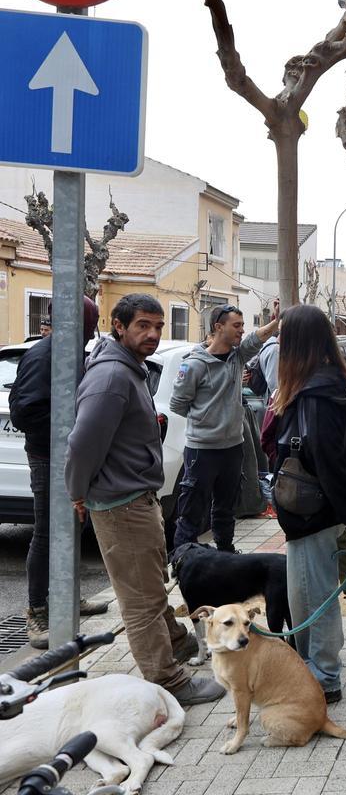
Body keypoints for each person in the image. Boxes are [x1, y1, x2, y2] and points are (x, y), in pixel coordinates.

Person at [65, 294, 224, 705]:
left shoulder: (127, 368)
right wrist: (77, 492)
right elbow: (82, 443)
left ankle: (177, 644)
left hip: (136, 498)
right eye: (142, 326)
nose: (153, 334)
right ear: (118, 326)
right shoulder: (112, 377)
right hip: (121, 505)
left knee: (151, 589)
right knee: (141, 602)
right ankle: (168, 680)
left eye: (157, 326)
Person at [269, 304, 346, 704]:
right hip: (315, 510)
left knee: (315, 596)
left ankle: (325, 677)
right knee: (308, 593)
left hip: (313, 510)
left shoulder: (316, 391)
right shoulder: (327, 384)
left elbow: (327, 457)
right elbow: (345, 454)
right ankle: (314, 669)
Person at [10, 297, 109, 649]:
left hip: (70, 455)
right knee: (48, 531)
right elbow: (24, 413)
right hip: (47, 457)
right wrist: (70, 426)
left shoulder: (74, 353)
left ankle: (67, 598)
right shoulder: (43, 356)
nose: (90, 329)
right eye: (88, 322)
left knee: (74, 524)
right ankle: (36, 611)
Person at [170, 303, 280, 551]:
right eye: (236, 326)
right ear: (219, 327)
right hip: (202, 450)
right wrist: (207, 419)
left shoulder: (237, 357)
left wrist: (275, 321)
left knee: (226, 506)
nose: (242, 331)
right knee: (192, 508)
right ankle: (182, 556)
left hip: (232, 447)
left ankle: (225, 552)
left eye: (242, 326)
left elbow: (256, 339)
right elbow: (178, 404)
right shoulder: (194, 365)